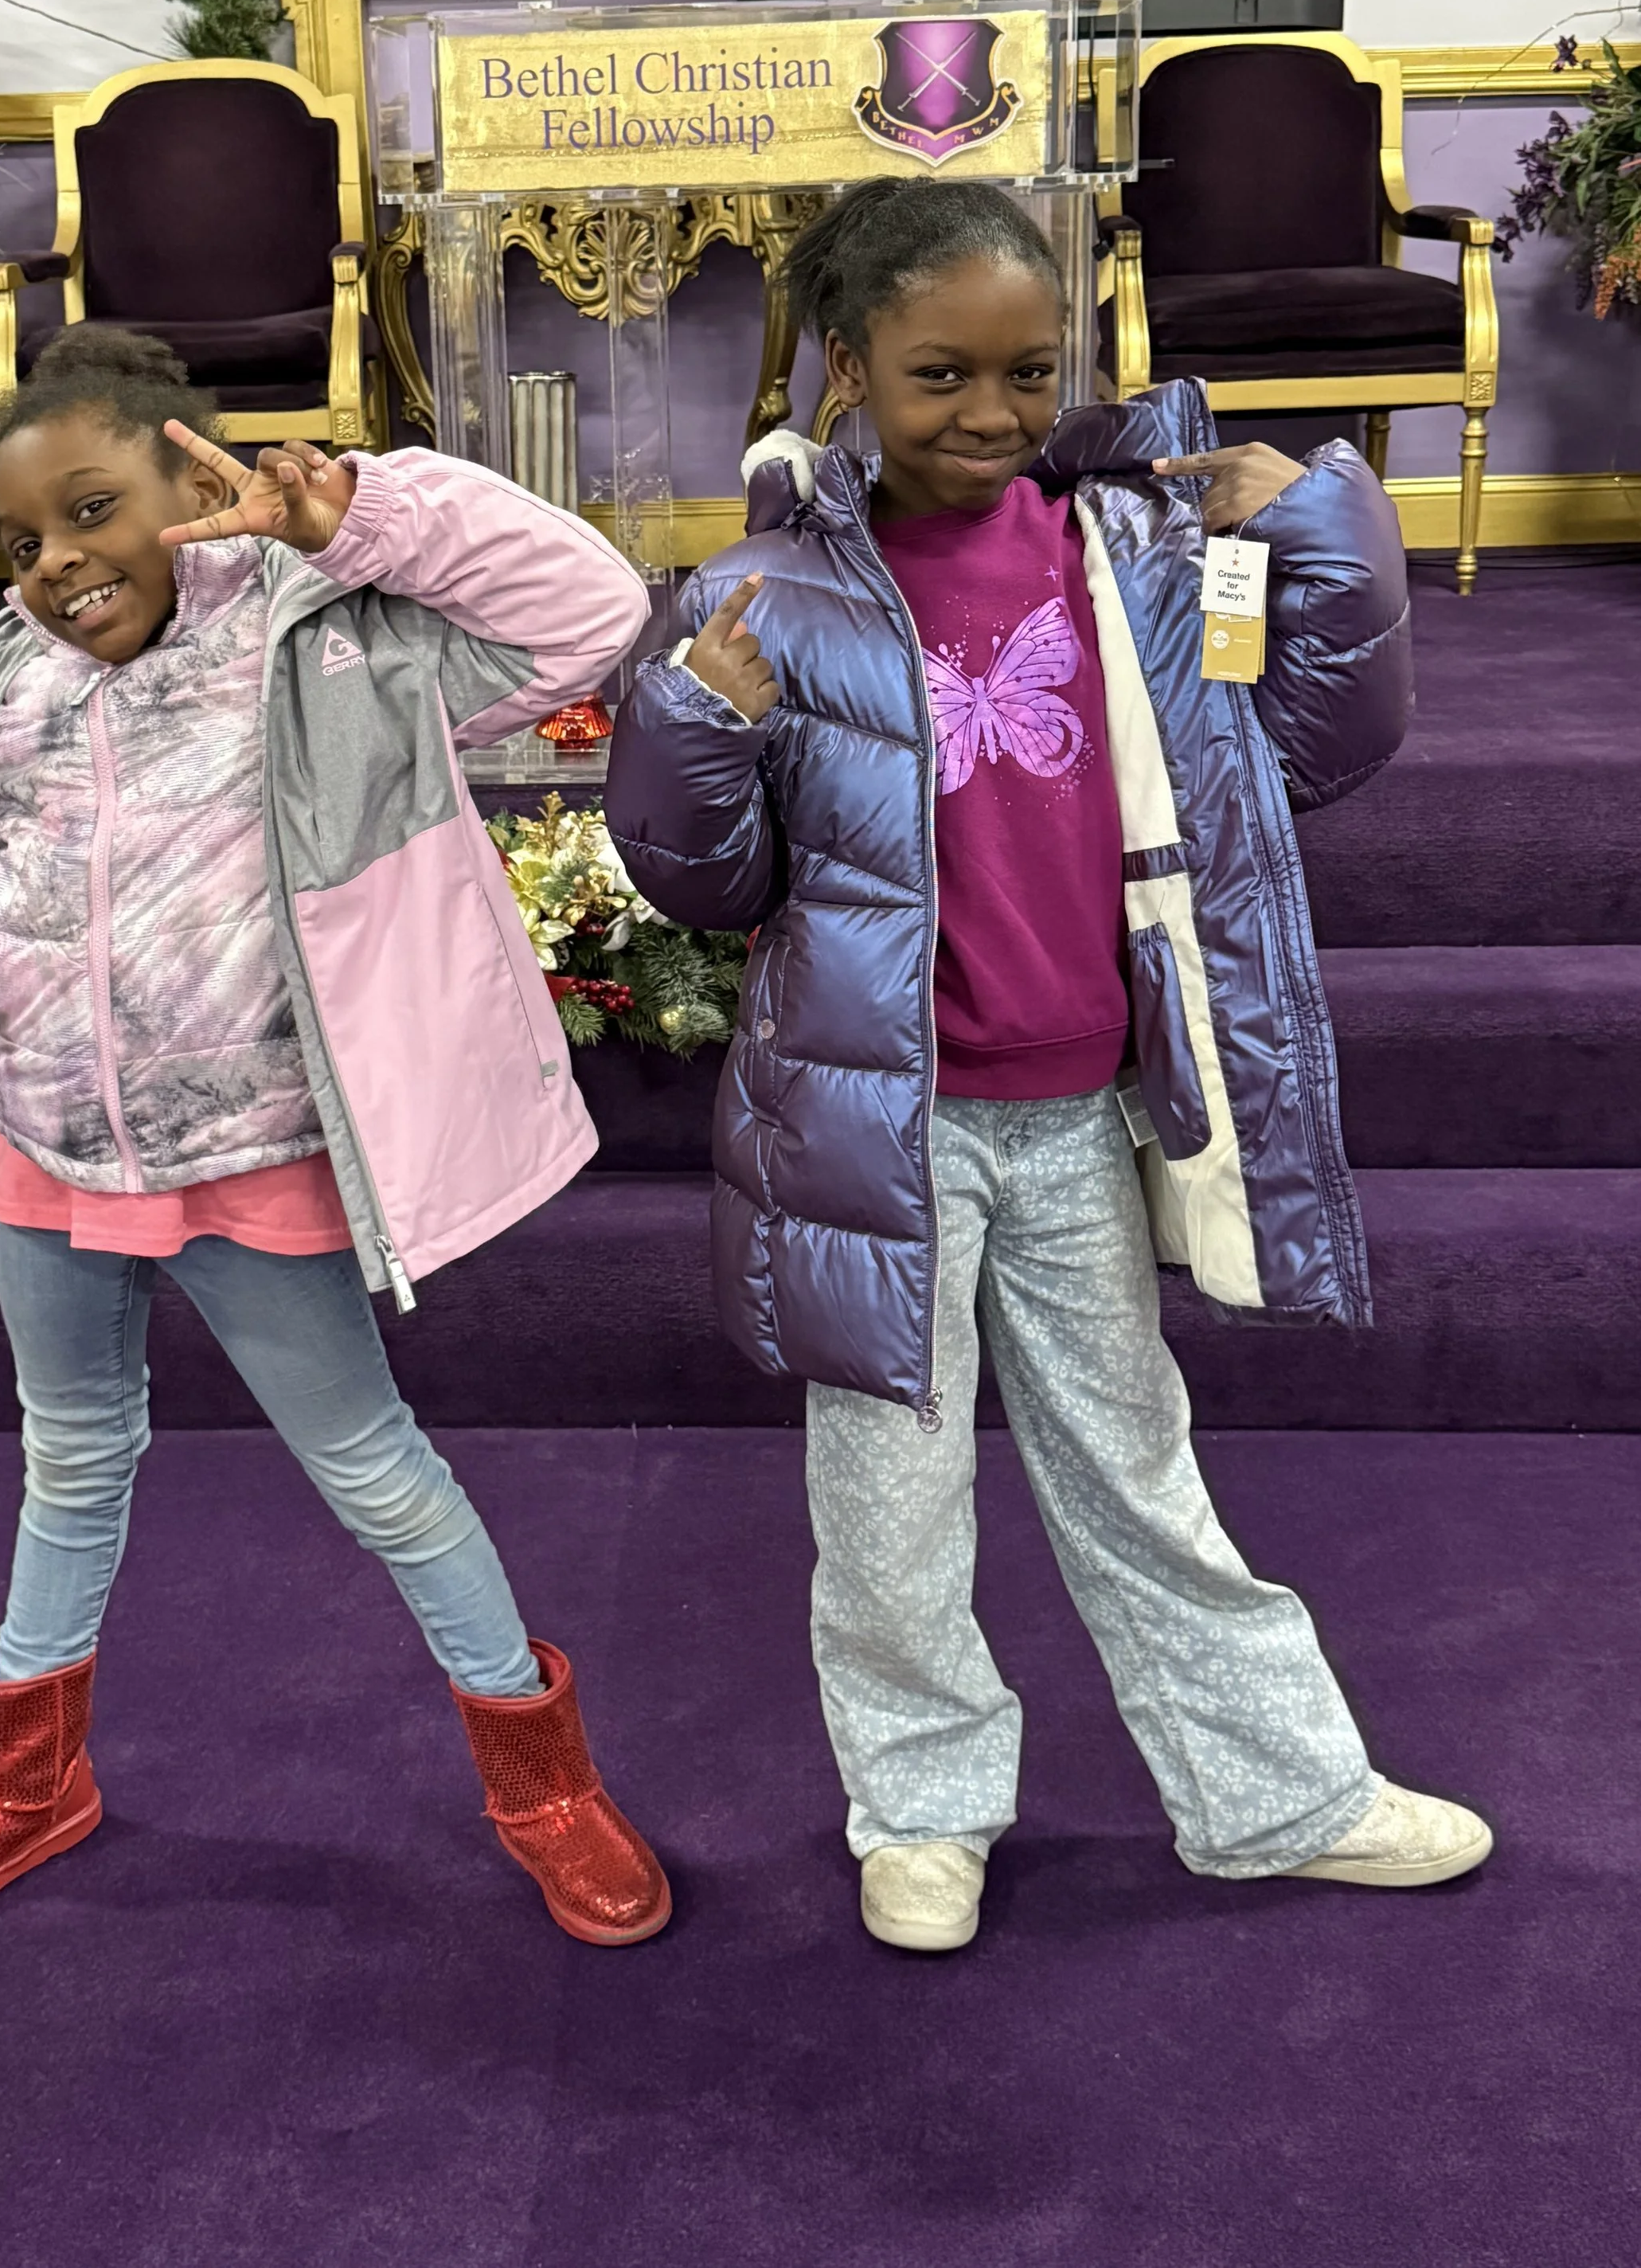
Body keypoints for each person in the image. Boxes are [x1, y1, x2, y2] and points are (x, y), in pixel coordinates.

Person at [605, 178, 1491, 1953]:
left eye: (1027, 371)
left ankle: (1275, 1792)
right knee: (887, 1507)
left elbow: (1316, 746)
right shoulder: (769, 590)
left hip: (1083, 1115)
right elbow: (710, 883)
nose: (991, 413)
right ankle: (921, 1809)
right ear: (848, 368)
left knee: (1136, 1468)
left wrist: (1320, 525)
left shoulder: (1142, 552)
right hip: (880, 1133)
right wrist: (694, 720)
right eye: (938, 374)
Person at [0, 326, 670, 1947]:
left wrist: (365, 521)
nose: (57, 564)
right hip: (48, 1147)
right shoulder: (2, 678)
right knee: (69, 1458)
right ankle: (26, 1784)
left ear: (191, 486)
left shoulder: (330, 636)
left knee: (376, 1473)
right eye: (22, 542)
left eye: (93, 511)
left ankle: (542, 1784)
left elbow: (588, 610)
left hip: (250, 1154)